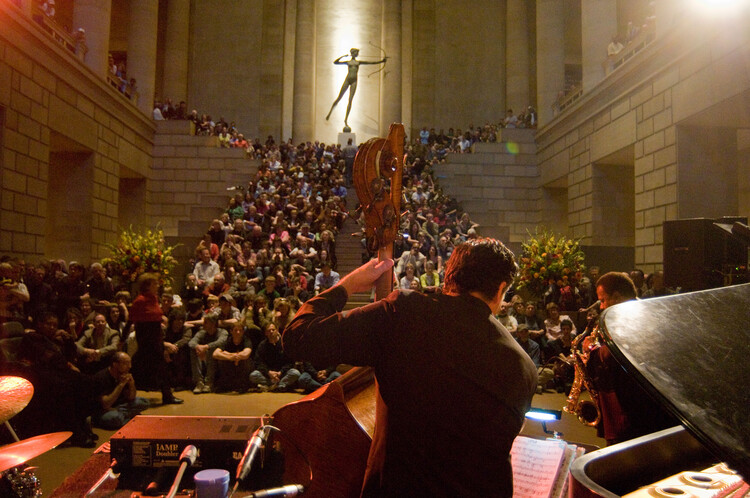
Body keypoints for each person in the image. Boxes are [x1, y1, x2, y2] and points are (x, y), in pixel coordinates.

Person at [284, 238, 537, 496]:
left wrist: (349, 284)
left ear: (450, 276)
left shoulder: (404, 313)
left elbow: (299, 337)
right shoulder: (524, 367)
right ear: (500, 288)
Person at [587, 271, 677, 445]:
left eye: (603, 300)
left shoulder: (633, 316)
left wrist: (592, 350)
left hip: (637, 408)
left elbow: (617, 353)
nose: (601, 307)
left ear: (617, 296)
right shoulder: (645, 310)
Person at [130, 273, 183, 404]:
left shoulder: (154, 298)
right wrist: (122, 340)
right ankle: (167, 396)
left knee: (156, 368)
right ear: (147, 285)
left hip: (156, 337)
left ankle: (167, 396)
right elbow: (131, 320)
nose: (157, 285)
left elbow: (154, 315)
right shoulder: (140, 300)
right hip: (146, 339)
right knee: (142, 367)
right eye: (155, 284)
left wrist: (161, 319)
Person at [325, 48, 387, 129]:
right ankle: (329, 114)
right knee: (339, 97)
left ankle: (346, 120)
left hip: (354, 81)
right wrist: (343, 56)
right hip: (348, 80)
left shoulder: (358, 62)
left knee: (350, 100)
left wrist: (381, 61)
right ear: (353, 53)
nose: (357, 54)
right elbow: (335, 62)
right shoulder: (348, 62)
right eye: (357, 53)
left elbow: (370, 62)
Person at [91, 352, 149, 429]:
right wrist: (120, 385)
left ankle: (125, 417)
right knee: (115, 418)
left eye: (130, 363)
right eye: (126, 363)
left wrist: (132, 384)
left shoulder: (124, 374)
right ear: (115, 364)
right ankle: (131, 417)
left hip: (119, 406)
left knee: (144, 402)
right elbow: (106, 404)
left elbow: (131, 398)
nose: (130, 366)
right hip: (103, 411)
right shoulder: (101, 378)